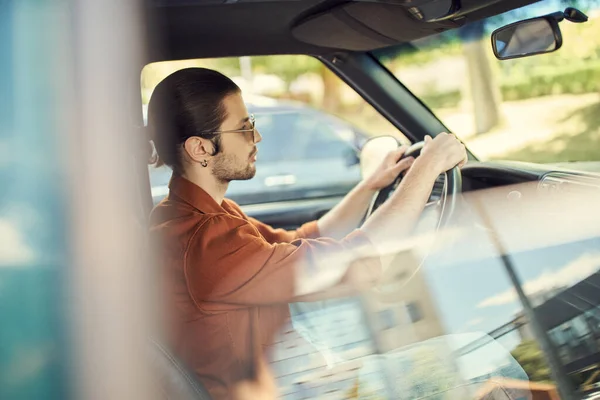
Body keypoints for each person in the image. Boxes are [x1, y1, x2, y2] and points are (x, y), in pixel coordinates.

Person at [148, 67, 467, 399]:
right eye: (243, 128)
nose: (256, 138)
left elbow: (298, 240)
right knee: (479, 355)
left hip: (296, 375)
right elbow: (353, 266)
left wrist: (370, 186)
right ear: (200, 149)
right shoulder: (205, 242)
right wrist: (427, 169)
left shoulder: (194, 215)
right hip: (287, 391)